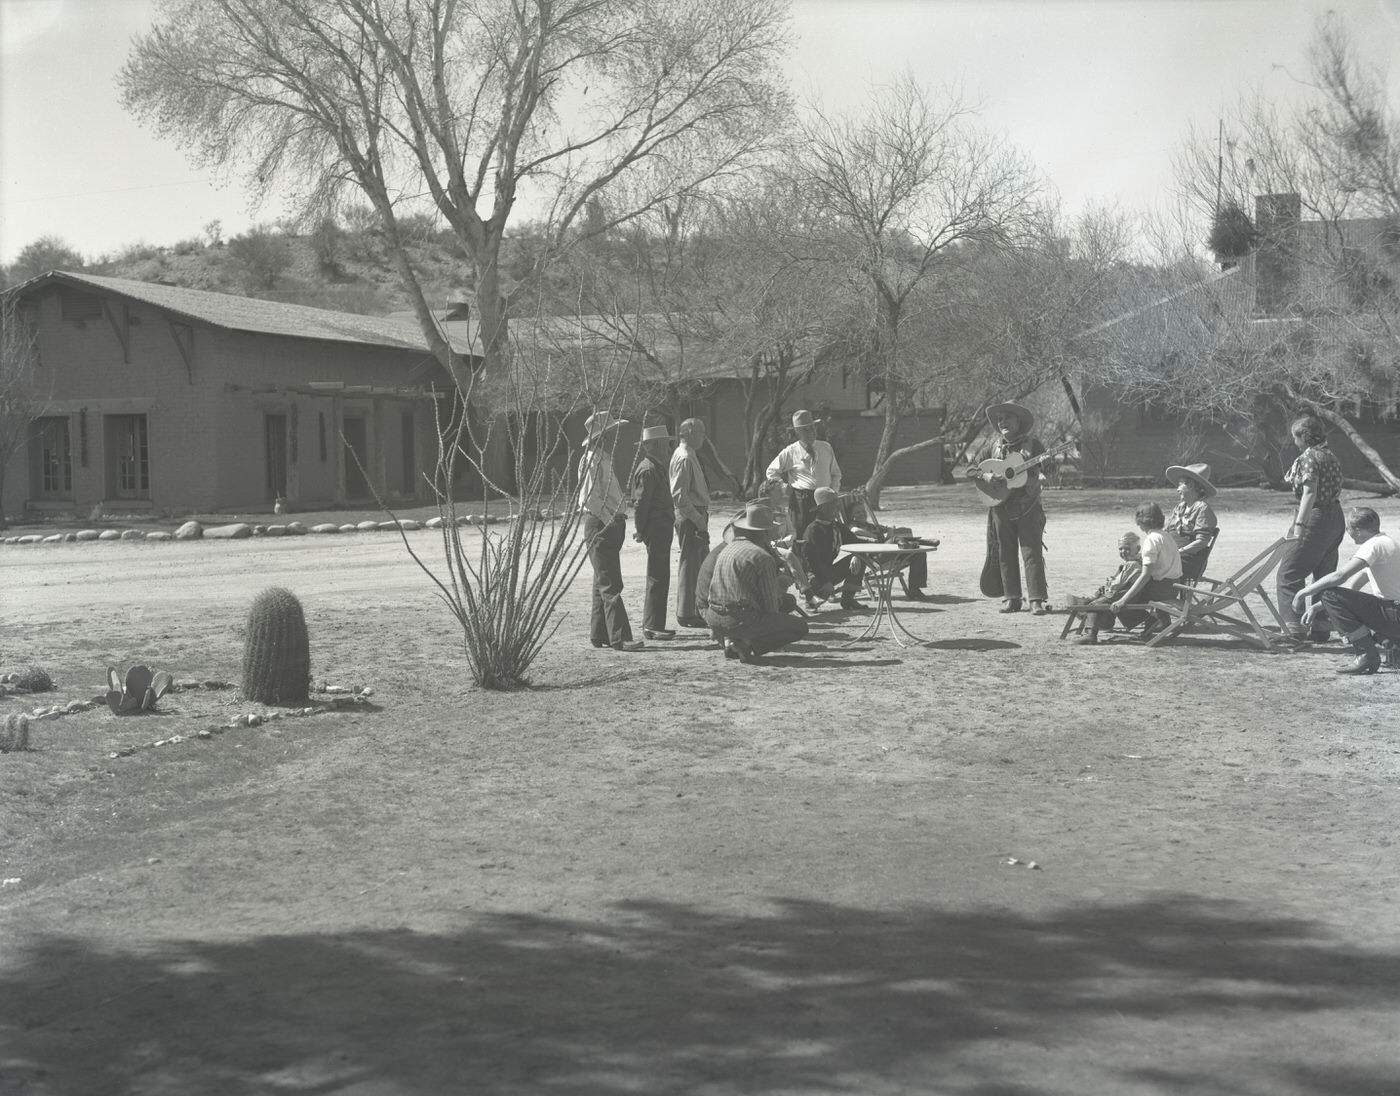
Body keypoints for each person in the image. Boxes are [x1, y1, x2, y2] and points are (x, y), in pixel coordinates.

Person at [1292, 507, 1400, 675]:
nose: (1348, 533)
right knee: (1335, 599)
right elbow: (1351, 588)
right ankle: (1390, 641)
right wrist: (1316, 608)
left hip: (1394, 614)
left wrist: (1304, 592)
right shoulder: (1387, 542)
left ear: (1357, 530)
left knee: (1329, 594)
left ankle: (1366, 654)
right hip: (1394, 612)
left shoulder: (1373, 545)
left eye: (1348, 529)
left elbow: (1339, 576)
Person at [968, 402, 1050, 614]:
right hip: (1000, 507)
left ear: (1018, 422)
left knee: (1031, 552)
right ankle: (1012, 597)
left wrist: (1041, 474)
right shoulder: (992, 447)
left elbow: (1046, 465)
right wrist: (985, 475)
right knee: (1005, 552)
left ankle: (1036, 599)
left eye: (1008, 418)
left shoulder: (1033, 446)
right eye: (1000, 419)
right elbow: (970, 469)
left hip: (1027, 505)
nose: (1003, 422)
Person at [703, 502, 809, 663]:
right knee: (800, 627)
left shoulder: (728, 548)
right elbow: (770, 607)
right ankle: (746, 644)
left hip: (714, 617)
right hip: (739, 619)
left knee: (782, 606)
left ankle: (734, 640)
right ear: (764, 533)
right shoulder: (762, 557)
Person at [577, 410, 642, 652]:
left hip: (608, 522)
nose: (616, 436)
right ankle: (620, 636)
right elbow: (590, 498)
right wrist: (609, 521)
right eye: (611, 432)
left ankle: (600, 633)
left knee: (601, 581)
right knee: (610, 583)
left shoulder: (601, 458)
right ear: (602, 436)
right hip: (602, 523)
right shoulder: (591, 459)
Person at [1277, 413, 1345, 641]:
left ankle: (1293, 629)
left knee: (1289, 573)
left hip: (1316, 517)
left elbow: (1309, 492)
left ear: (1304, 437)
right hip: (1335, 516)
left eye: (1296, 438)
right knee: (1324, 575)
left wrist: (1299, 525)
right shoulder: (1331, 455)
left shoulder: (1309, 457)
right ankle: (1321, 626)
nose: (1294, 442)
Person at [1076, 504, 1182, 645]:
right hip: (1172, 588)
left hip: (1158, 589)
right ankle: (1153, 620)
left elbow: (1145, 575)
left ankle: (1091, 632)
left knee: (1112, 597)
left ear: (1142, 521)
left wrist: (1123, 600)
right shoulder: (1166, 536)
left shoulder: (1151, 539)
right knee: (1123, 590)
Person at [765, 409, 843, 544]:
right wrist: (784, 487)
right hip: (802, 500)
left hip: (824, 499)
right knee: (802, 535)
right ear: (797, 432)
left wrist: (833, 492)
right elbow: (771, 471)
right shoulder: (791, 451)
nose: (810, 432)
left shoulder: (825, 447)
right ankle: (802, 563)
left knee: (825, 535)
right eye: (804, 430)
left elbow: (836, 473)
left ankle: (823, 563)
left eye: (812, 428)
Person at [631, 424, 676, 640]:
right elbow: (641, 504)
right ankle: (652, 625)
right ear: (656, 445)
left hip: (661, 525)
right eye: (666, 444)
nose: (668, 449)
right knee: (657, 577)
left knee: (660, 575)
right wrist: (641, 531)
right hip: (656, 526)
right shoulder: (649, 469)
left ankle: (655, 624)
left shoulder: (654, 467)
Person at [670, 417, 711, 630]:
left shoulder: (690, 455)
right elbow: (679, 496)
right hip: (691, 515)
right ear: (688, 433)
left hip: (695, 513)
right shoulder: (685, 457)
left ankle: (695, 609)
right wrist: (698, 521)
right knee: (690, 564)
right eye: (700, 432)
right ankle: (686, 612)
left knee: (699, 563)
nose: (703, 437)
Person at [801, 486, 865, 609]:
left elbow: (855, 542)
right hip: (814, 576)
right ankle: (811, 597)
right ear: (823, 509)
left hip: (828, 571)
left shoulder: (837, 527)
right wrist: (825, 581)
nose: (838, 508)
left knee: (860, 558)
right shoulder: (812, 531)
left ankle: (848, 600)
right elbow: (811, 562)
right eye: (834, 505)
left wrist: (856, 555)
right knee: (815, 597)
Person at [1164, 462, 1220, 582]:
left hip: (1189, 561)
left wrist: (1178, 552)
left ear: (1192, 485)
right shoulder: (1180, 507)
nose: (1177, 489)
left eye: (1180, 485)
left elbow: (1201, 542)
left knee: (1150, 566)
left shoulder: (1202, 509)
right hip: (1174, 557)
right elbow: (1166, 532)